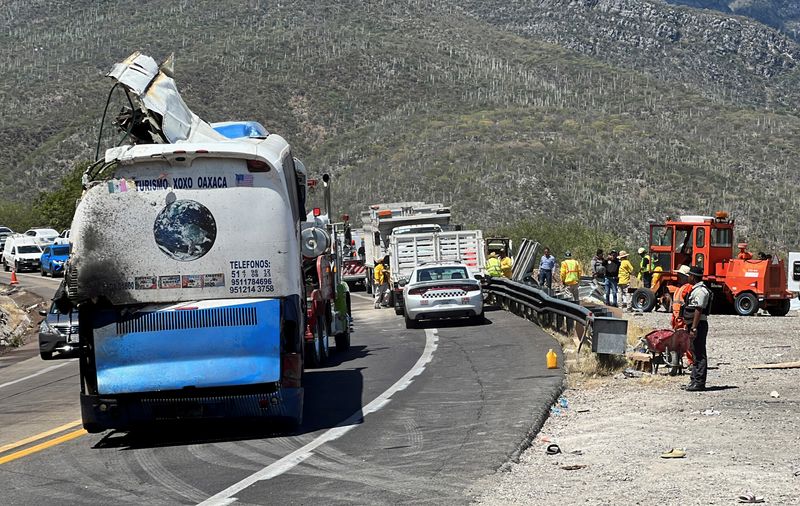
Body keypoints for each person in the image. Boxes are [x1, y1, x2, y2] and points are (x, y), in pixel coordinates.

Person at [683, 265, 712, 392]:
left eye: (689, 275)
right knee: (694, 352)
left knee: (699, 353)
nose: (688, 277)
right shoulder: (695, 289)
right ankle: (694, 380)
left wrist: (694, 328)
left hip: (698, 325)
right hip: (695, 325)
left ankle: (699, 382)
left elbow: (698, 310)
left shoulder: (700, 291)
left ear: (693, 277)